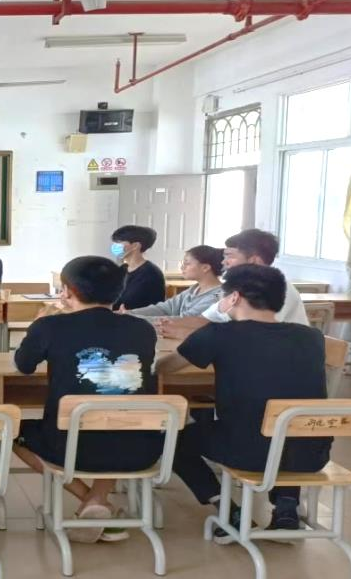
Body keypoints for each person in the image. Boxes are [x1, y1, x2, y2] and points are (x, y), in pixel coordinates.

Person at [159, 265, 330, 543]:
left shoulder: (219, 334)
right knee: (287, 423)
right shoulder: (310, 337)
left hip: (246, 452)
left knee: (172, 437)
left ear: (234, 297)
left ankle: (228, 510)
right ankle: (286, 507)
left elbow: (168, 367)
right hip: (313, 454)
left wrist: (154, 363)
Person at [14, 256, 162, 544]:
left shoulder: (50, 326)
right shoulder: (142, 328)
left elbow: (24, 365)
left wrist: (37, 324)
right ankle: (99, 501)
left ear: (67, 291)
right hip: (139, 448)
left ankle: (91, 501)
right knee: (115, 417)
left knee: (13, 432)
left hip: (70, 449)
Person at [157, 229, 309, 340]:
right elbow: (205, 319)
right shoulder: (235, 289)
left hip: (280, 362)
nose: (224, 262)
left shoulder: (279, 288)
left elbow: (253, 335)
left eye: (230, 256)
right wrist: (161, 324)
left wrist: (185, 333)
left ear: (253, 260)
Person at [129, 245, 223, 319]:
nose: (182, 267)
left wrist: (133, 319)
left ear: (205, 268)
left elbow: (185, 320)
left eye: (187, 263)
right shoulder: (194, 289)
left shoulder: (217, 296)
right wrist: (130, 313)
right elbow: (165, 308)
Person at [110, 225, 166, 311]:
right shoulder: (122, 269)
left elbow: (155, 308)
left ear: (135, 245)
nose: (115, 246)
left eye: (119, 242)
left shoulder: (151, 274)